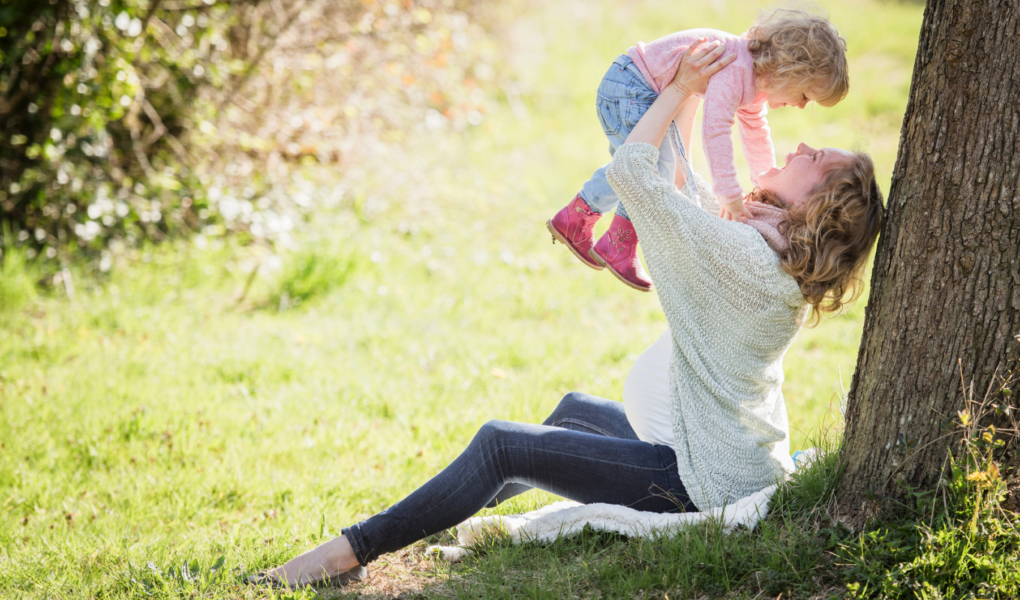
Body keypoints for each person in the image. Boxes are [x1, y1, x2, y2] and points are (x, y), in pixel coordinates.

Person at [249, 39, 882, 589]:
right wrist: (694, 96)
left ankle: (348, 552)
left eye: (818, 159)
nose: (802, 143)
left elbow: (636, 173)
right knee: (573, 411)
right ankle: (425, 518)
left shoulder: (744, 256)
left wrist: (683, 88)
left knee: (502, 444)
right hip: (716, 449)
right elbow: (687, 192)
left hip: (697, 479)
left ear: (818, 207)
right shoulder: (769, 253)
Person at [547, 9, 849, 292]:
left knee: (646, 165)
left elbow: (756, 134)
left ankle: (577, 218)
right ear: (789, 70)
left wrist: (763, 183)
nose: (799, 105)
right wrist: (729, 194)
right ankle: (617, 241)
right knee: (649, 166)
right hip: (630, 87)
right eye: (805, 95)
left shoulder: (754, 81)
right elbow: (715, 130)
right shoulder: (738, 69)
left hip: (635, 86)